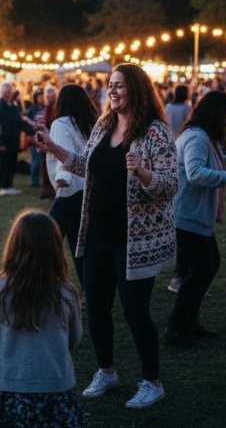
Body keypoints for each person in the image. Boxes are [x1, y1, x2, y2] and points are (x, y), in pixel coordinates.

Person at [36, 63, 178, 410]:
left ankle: (152, 381)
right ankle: (107, 371)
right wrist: (55, 149)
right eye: (110, 86)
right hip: (96, 234)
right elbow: (87, 165)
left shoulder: (155, 132)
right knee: (97, 308)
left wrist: (145, 174)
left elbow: (171, 184)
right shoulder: (104, 125)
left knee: (134, 311)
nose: (112, 91)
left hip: (135, 240)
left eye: (120, 86)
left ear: (137, 90)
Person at [0, 210, 88, 428]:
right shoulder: (67, 292)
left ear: (14, 245)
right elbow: (74, 339)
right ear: (55, 248)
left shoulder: (0, 289)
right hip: (57, 389)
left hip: (12, 392)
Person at [165, 91, 226, 348]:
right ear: (215, 115)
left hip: (195, 216)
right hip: (187, 216)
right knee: (201, 270)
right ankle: (176, 328)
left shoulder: (205, 136)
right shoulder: (196, 137)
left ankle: (188, 323)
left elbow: (217, 166)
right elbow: (195, 174)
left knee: (207, 266)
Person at [46, 84, 99, 288]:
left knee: (46, 242)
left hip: (70, 190)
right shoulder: (91, 123)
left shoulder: (61, 124)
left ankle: (43, 286)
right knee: (79, 245)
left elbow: (64, 154)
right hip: (88, 190)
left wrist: (63, 177)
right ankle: (88, 291)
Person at [0, 82, 26, 196]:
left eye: (10, 92)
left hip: (14, 140)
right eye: (6, 92)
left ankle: (9, 185)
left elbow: (19, 121)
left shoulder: (14, 105)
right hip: (3, 140)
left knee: (12, 163)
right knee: (4, 164)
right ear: (2, 93)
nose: (9, 94)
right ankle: (3, 186)